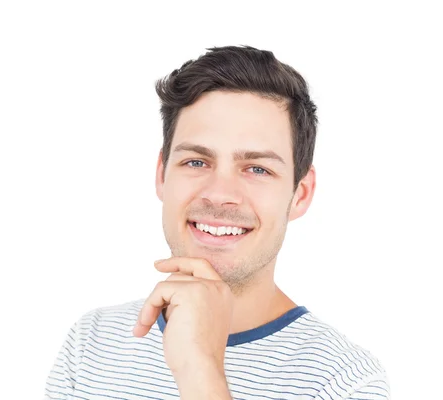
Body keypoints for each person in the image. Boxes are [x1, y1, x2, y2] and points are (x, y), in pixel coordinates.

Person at [44, 45, 390, 400]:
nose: (219, 194)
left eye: (258, 169)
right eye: (196, 162)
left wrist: (201, 371)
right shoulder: (91, 343)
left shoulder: (347, 382)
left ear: (300, 194)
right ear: (162, 175)